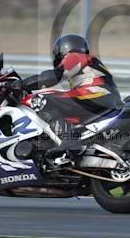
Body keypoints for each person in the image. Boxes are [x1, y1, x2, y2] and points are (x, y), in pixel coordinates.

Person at [21, 34, 122, 163]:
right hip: (102, 97)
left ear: (64, 48)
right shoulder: (88, 61)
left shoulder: (75, 56)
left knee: (41, 99)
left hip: (96, 94)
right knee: (60, 101)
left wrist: (23, 84)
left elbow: (56, 75)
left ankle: (69, 141)